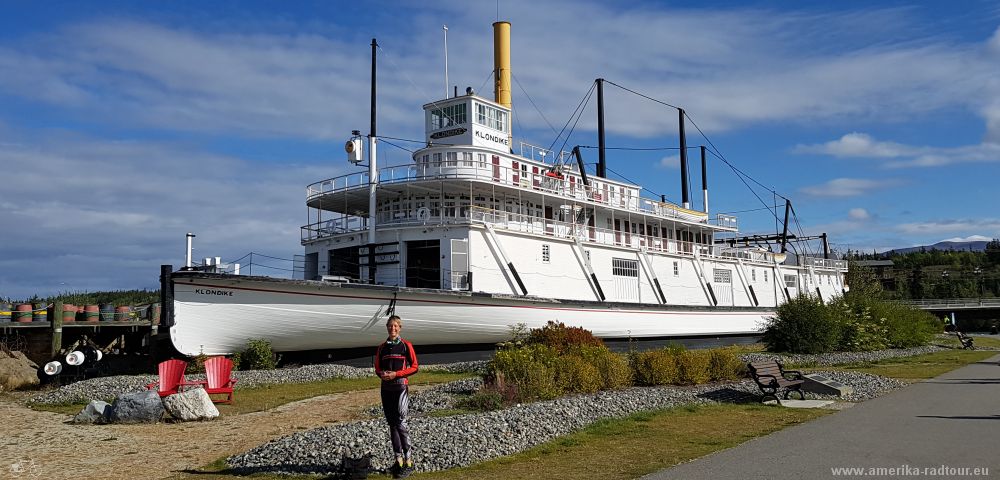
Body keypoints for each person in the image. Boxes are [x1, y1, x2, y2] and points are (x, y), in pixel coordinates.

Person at [375, 315, 418, 478]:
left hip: (400, 388)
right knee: (392, 424)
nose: (392, 328)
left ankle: (409, 463)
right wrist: (383, 375)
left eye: (396, 326)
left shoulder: (406, 345)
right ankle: (398, 462)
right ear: (387, 327)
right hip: (386, 389)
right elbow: (377, 368)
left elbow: (415, 367)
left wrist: (397, 374)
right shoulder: (381, 347)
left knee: (401, 423)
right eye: (390, 326)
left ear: (400, 328)